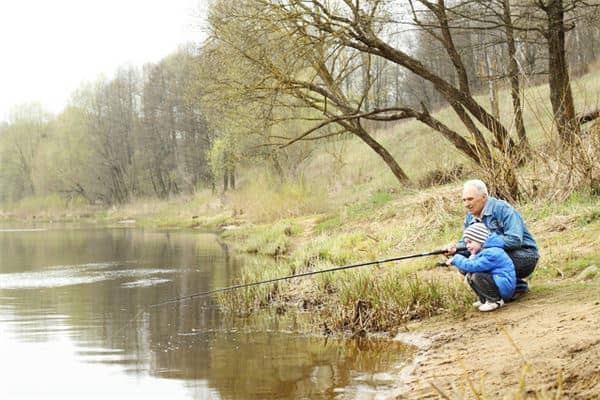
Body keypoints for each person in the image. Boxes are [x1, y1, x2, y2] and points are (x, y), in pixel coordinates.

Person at [445, 179, 539, 296]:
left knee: (485, 259)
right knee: (463, 265)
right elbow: (467, 243)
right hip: (498, 255)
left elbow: (515, 240)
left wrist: (484, 244)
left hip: (524, 255)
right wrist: (455, 249)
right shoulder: (470, 217)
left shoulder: (503, 209)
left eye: (470, 199)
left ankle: (505, 292)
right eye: (464, 200)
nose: (466, 204)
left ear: (484, 197)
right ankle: (514, 288)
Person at [446, 223, 516, 311]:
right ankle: (484, 299)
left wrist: (457, 259)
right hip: (497, 284)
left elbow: (474, 266)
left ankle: (495, 300)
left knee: (477, 276)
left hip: (503, 287)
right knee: (470, 276)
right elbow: (469, 267)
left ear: (481, 240)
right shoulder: (481, 252)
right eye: (466, 242)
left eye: (470, 242)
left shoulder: (492, 253)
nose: (467, 246)